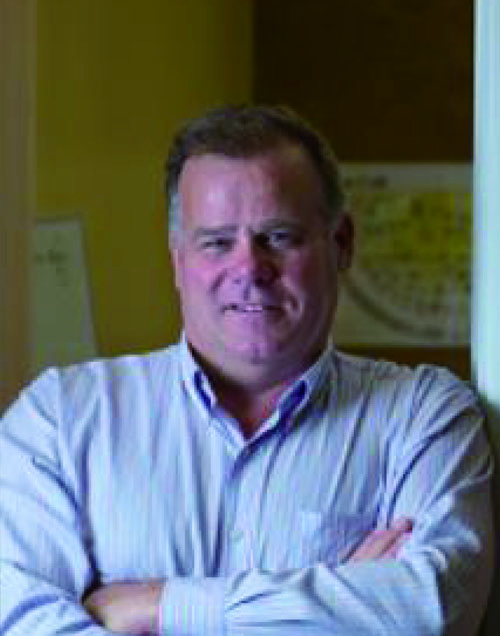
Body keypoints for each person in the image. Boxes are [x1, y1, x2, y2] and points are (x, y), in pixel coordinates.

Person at [0, 105, 494, 635]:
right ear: (177, 258)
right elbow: (23, 623)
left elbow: (432, 610)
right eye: (217, 242)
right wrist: (348, 602)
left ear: (342, 244)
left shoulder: (424, 416)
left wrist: (159, 606)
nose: (250, 270)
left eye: (278, 237)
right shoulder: (60, 421)